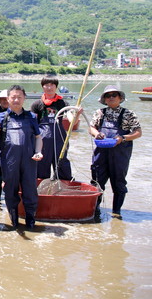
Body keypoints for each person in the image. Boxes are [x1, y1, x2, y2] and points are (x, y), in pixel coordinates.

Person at [0, 85, 43, 229]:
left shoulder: (31, 117)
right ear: (8, 99)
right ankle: (14, 220)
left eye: (19, 97)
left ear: (24, 98)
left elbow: (38, 137)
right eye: (13, 97)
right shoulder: (1, 117)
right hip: (9, 162)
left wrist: (38, 151)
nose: (16, 100)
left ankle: (30, 221)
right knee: (10, 191)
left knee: (30, 191)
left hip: (29, 161)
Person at [89, 85, 142, 217]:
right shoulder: (100, 112)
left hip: (120, 154)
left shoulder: (128, 114)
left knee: (119, 183)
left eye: (114, 95)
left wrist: (123, 138)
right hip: (101, 154)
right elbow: (91, 127)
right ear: (104, 99)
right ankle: (95, 211)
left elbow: (138, 132)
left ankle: (116, 213)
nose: (111, 98)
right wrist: (97, 134)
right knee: (97, 182)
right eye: (108, 96)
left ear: (120, 98)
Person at [30, 76, 76, 180]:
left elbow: (72, 121)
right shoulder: (37, 104)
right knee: (41, 166)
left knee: (61, 164)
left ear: (56, 87)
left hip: (59, 139)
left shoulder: (63, 103)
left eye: (52, 85)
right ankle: (40, 190)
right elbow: (32, 124)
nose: (49, 87)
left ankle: (63, 188)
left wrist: (76, 115)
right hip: (42, 140)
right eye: (46, 85)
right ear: (42, 87)